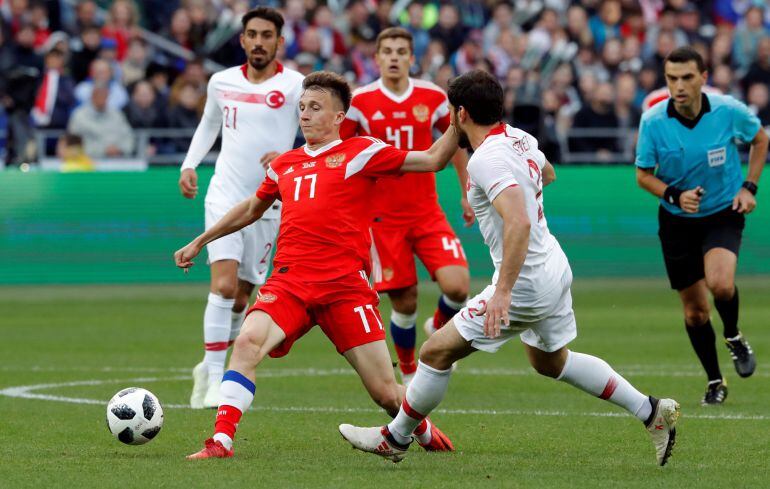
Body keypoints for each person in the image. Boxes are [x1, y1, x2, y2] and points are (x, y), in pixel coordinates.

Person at [339, 69, 680, 467]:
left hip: (525, 283)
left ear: (460, 113)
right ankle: (650, 411)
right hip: (552, 264)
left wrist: (502, 291)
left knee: (433, 353)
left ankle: (394, 439)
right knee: (550, 361)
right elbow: (547, 174)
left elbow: (517, 221)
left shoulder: (487, 159)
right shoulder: (518, 137)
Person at [175, 71, 459, 459]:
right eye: (302, 107)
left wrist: (460, 121)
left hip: (345, 287)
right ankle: (221, 441)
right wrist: (200, 241)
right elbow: (250, 209)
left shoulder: (362, 151)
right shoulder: (284, 165)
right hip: (290, 282)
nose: (305, 115)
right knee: (246, 342)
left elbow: (432, 158)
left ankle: (423, 432)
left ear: (340, 116)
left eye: (315, 108)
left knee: (386, 393)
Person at [177, 7, 305, 410]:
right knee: (224, 285)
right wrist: (189, 164)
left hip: (269, 203)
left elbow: (323, 132)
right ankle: (215, 376)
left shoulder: (296, 85)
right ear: (243, 39)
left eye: (268, 35)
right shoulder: (221, 82)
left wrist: (289, 155)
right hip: (225, 194)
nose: (260, 42)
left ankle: (210, 366)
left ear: (279, 42)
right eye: (253, 34)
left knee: (242, 296)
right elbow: (208, 126)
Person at [635, 46, 768, 405]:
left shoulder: (727, 110)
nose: (679, 85)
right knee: (695, 311)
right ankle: (714, 380)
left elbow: (760, 139)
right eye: (672, 78)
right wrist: (674, 195)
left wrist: (749, 186)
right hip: (677, 221)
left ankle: (734, 336)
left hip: (722, 211)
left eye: (687, 77)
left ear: (703, 78)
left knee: (722, 285)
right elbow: (643, 176)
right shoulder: (653, 121)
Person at [340, 27, 472, 386]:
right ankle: (411, 370)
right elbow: (340, 154)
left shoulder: (431, 96)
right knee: (405, 301)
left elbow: (457, 142)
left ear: (412, 58)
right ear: (377, 58)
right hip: (382, 219)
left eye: (402, 51)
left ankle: (438, 328)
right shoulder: (360, 101)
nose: (395, 57)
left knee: (458, 286)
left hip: (427, 211)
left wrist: (466, 191)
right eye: (388, 51)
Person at [67, 83, 134, 158]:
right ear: (92, 96)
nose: (102, 98)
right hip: (89, 162)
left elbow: (128, 136)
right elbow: (74, 144)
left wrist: (120, 149)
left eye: (105, 95)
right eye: (99, 95)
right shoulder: (79, 116)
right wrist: (103, 151)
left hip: (117, 160)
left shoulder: (117, 115)